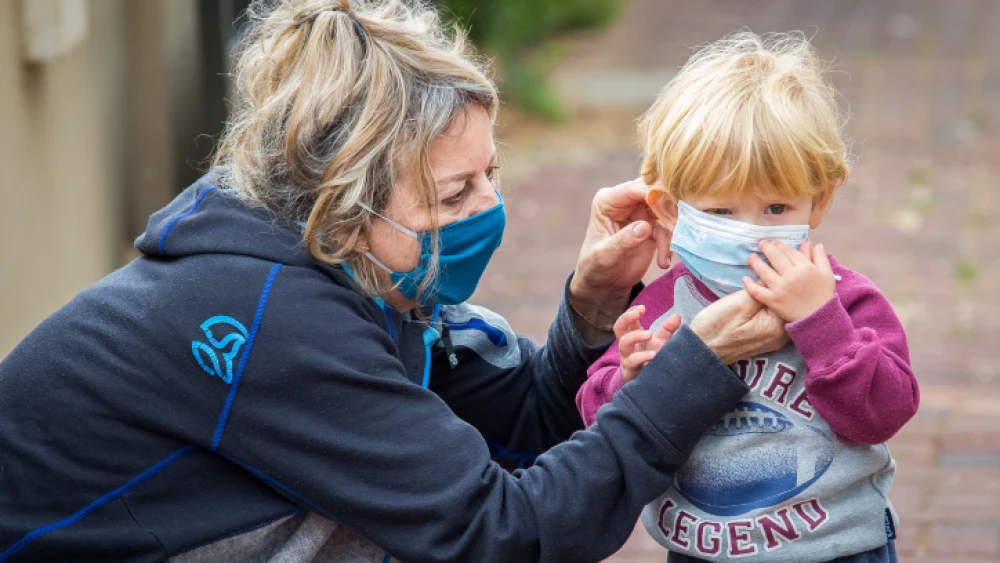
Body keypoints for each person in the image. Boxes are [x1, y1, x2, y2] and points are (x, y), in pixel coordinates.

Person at [0, 3, 790, 562]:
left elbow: (519, 430)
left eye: (492, 173)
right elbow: (502, 534)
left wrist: (590, 305)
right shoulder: (276, 320)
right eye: (454, 195)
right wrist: (694, 368)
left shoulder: (343, 264)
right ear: (345, 205)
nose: (490, 207)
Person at [576, 31, 920, 563]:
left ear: (819, 202)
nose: (753, 232)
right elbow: (597, 421)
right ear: (670, 209)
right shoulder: (661, 303)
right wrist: (628, 377)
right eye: (721, 212)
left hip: (839, 550)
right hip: (701, 552)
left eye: (777, 208)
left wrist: (821, 324)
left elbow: (884, 413)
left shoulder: (845, 299)